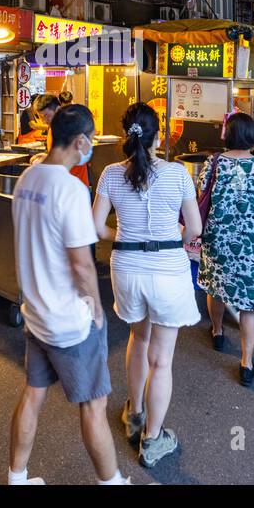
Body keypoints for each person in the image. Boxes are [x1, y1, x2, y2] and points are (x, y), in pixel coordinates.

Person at [8, 104, 127, 485]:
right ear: (80, 141)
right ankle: (112, 483)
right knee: (94, 406)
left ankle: (17, 477)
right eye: (89, 140)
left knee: (33, 394)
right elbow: (81, 265)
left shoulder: (27, 179)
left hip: (36, 315)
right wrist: (95, 310)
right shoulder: (71, 189)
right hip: (68, 321)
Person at [91, 103, 201, 468]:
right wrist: (178, 236)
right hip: (168, 269)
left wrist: (120, 236)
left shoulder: (109, 173)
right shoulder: (178, 174)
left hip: (127, 268)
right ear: (158, 135)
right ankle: (152, 440)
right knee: (162, 360)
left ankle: (133, 413)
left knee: (138, 340)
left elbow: (95, 229)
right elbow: (196, 228)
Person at [199, 113, 254, 387]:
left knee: (217, 288)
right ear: (252, 136)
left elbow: (199, 195)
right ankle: (246, 363)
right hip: (253, 243)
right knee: (249, 305)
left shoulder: (213, 164)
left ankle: (216, 332)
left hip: (218, 240)